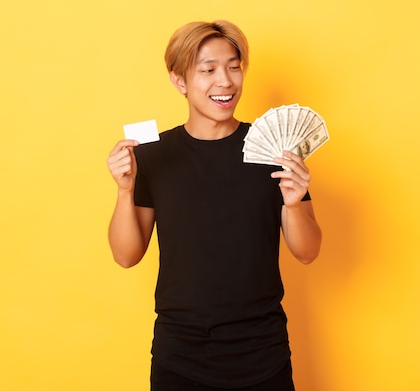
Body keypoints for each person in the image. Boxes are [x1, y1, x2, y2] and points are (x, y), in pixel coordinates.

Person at [106, 20, 322, 391]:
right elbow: (126, 255)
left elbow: (307, 251)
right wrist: (125, 191)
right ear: (179, 81)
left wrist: (294, 202)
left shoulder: (275, 148)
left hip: (263, 352)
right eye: (207, 70)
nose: (225, 81)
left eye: (233, 67)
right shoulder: (154, 156)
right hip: (180, 357)